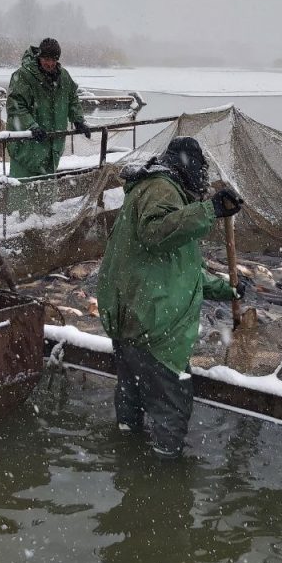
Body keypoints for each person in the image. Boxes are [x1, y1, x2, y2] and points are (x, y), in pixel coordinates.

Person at [97, 136, 244, 458]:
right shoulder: (161, 188)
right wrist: (209, 210)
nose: (203, 179)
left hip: (134, 316)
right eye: (201, 170)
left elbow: (179, 267)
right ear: (187, 166)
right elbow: (156, 232)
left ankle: (127, 456)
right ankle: (165, 476)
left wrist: (227, 289)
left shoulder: (155, 189)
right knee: (171, 404)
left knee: (131, 392)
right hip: (155, 324)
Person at [5, 37, 92, 178]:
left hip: (52, 150)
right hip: (26, 149)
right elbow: (15, 106)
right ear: (39, 56)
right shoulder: (23, 76)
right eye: (46, 58)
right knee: (22, 193)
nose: (50, 63)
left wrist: (78, 120)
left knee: (48, 194)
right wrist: (31, 126)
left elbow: (72, 99)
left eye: (54, 59)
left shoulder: (64, 76)